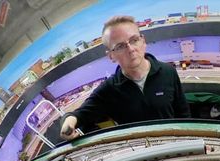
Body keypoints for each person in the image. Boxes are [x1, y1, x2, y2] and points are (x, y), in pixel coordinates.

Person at [60, 15, 190, 140]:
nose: (130, 49)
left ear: (143, 41)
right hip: (139, 150)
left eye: (134, 40)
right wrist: (68, 124)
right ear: (111, 56)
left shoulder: (168, 72)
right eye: (120, 46)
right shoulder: (109, 89)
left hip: (173, 145)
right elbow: (78, 115)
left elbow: (183, 114)